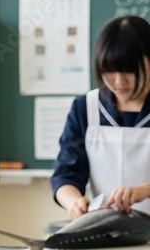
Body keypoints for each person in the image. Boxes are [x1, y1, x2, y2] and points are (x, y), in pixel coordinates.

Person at [51, 15, 150, 219]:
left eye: (130, 71)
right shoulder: (86, 108)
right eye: (110, 71)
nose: (119, 81)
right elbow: (66, 173)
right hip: (108, 231)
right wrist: (74, 202)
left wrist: (144, 191)